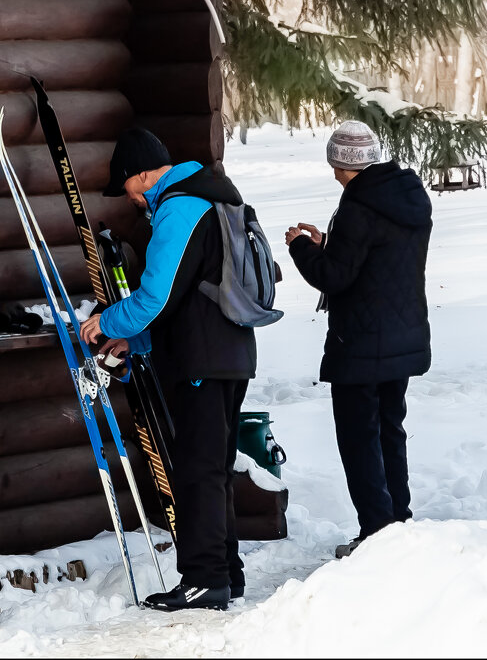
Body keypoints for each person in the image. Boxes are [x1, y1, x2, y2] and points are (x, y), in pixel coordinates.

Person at [78, 127, 257, 611]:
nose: (133, 200)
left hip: (201, 358)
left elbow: (157, 296)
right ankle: (225, 574)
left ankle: (203, 579)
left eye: (130, 188)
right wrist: (131, 338)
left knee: (198, 472)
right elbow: (186, 294)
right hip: (231, 352)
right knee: (214, 468)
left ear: (143, 173)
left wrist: (104, 322)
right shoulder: (217, 196)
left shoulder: (180, 207)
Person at [284, 121, 433, 559]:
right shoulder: (404, 195)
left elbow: (335, 275)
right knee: (390, 430)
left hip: (362, 342)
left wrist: (301, 248)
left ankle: (375, 532)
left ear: (339, 163)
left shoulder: (358, 204)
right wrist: (328, 241)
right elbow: (377, 255)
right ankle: (396, 521)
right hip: (402, 336)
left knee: (358, 438)